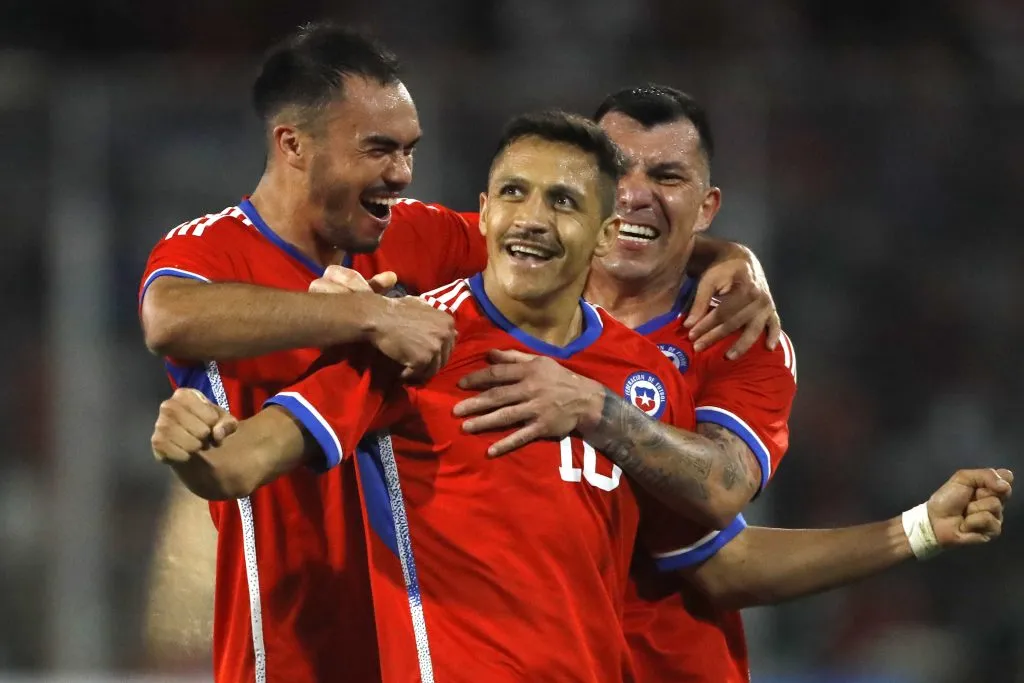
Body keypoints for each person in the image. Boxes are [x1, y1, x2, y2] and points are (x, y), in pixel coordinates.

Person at [152, 111, 1012, 681]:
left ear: (603, 231)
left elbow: (717, 556)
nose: (532, 217)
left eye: (563, 201)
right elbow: (239, 462)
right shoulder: (411, 344)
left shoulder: (653, 375)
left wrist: (919, 529)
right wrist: (195, 440)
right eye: (515, 195)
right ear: (478, 213)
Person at [138, 24, 778, 681]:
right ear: (294, 145)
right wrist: (365, 314)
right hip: (288, 630)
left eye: (409, 150)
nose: (401, 173)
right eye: (379, 149)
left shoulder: (407, 232)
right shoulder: (211, 247)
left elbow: (567, 232)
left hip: (421, 633)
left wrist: (726, 253)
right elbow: (170, 317)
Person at [448, 85, 1008, 682]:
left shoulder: (742, 339)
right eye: (617, 170)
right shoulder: (505, 260)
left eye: (667, 177)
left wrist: (595, 408)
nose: (636, 194)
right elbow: (356, 224)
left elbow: (721, 499)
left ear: (707, 205)